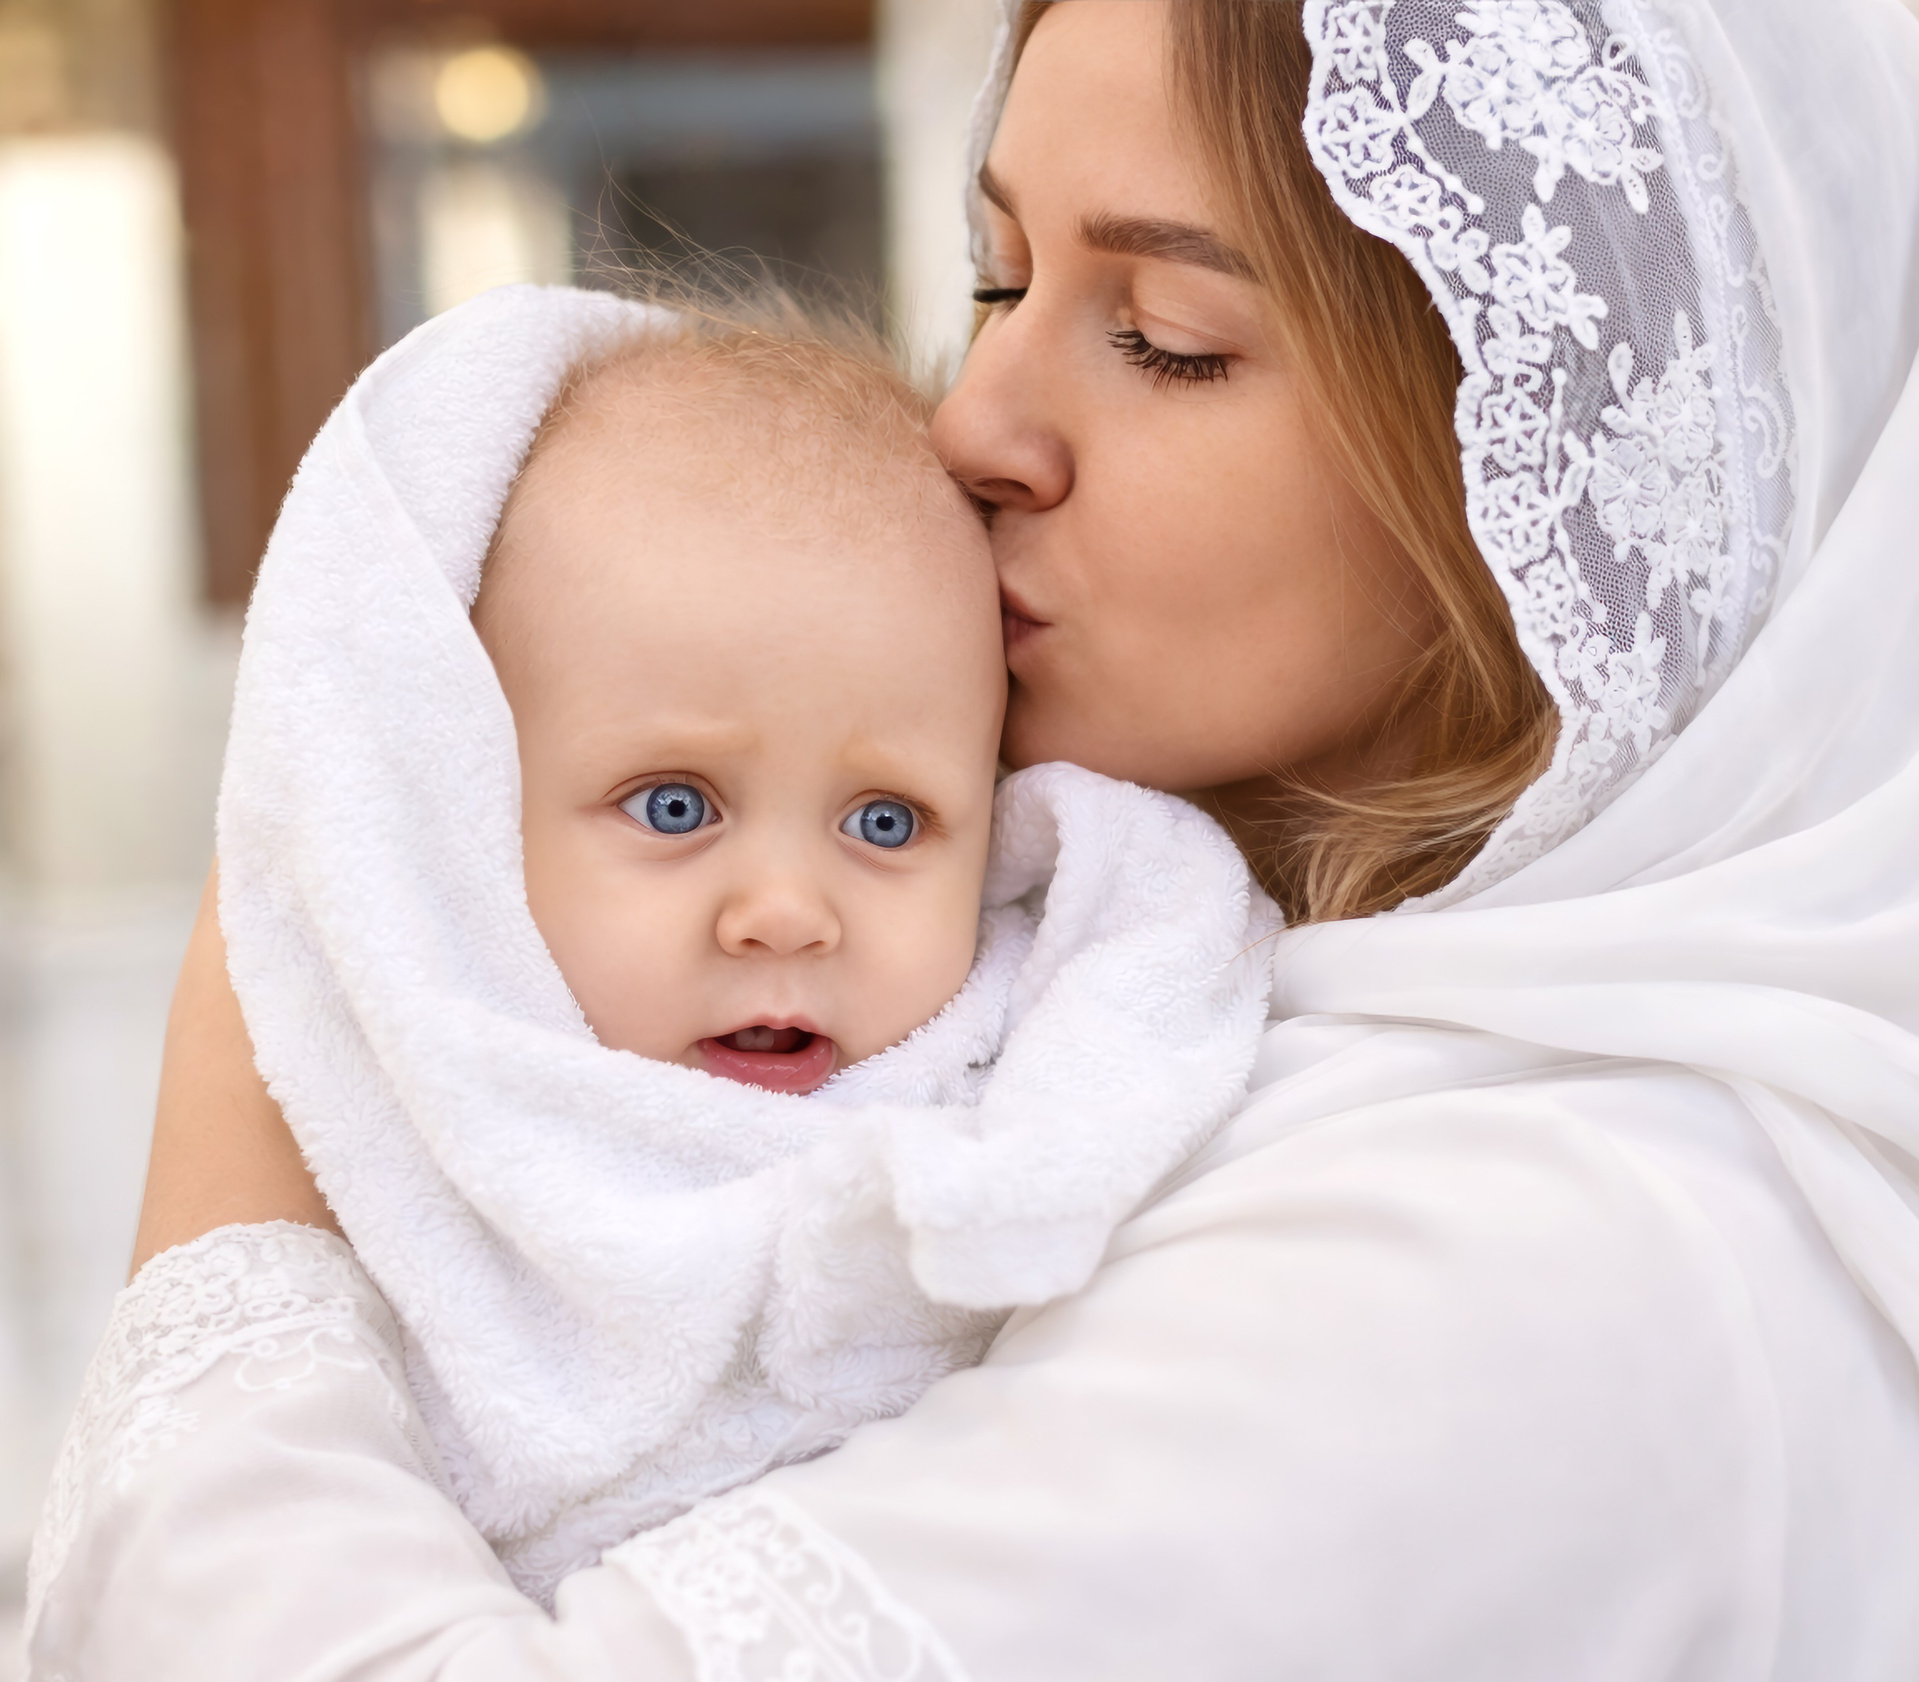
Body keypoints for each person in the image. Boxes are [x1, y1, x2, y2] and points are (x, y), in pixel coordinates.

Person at [27, 2, 1919, 1682]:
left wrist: (248, 1120)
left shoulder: (1536, 1255)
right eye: (1001, 278)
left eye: (1165, 338)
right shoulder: (1227, 1049)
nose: (980, 422)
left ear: (1545, 493)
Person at [158, 290, 1275, 1608]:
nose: (787, 911)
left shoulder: (1051, 1061)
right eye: (677, 806)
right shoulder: (420, 1123)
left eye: (886, 819)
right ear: (473, 819)